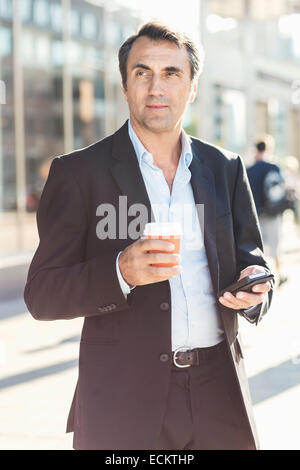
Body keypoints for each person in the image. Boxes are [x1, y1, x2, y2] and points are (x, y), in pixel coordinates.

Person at [24, 22, 273, 450]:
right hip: (124, 403)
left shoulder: (224, 168)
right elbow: (42, 294)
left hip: (219, 395)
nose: (156, 87)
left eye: (172, 74)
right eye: (142, 73)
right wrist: (120, 271)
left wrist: (257, 288)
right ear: (125, 85)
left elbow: (253, 258)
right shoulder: (78, 173)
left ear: (192, 86)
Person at [247, 137, 287, 287]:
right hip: (273, 213)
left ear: (256, 149)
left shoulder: (249, 169)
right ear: (268, 149)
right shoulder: (273, 167)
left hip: (256, 214)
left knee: (259, 248)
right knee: (276, 245)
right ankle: (280, 274)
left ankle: (262, 278)